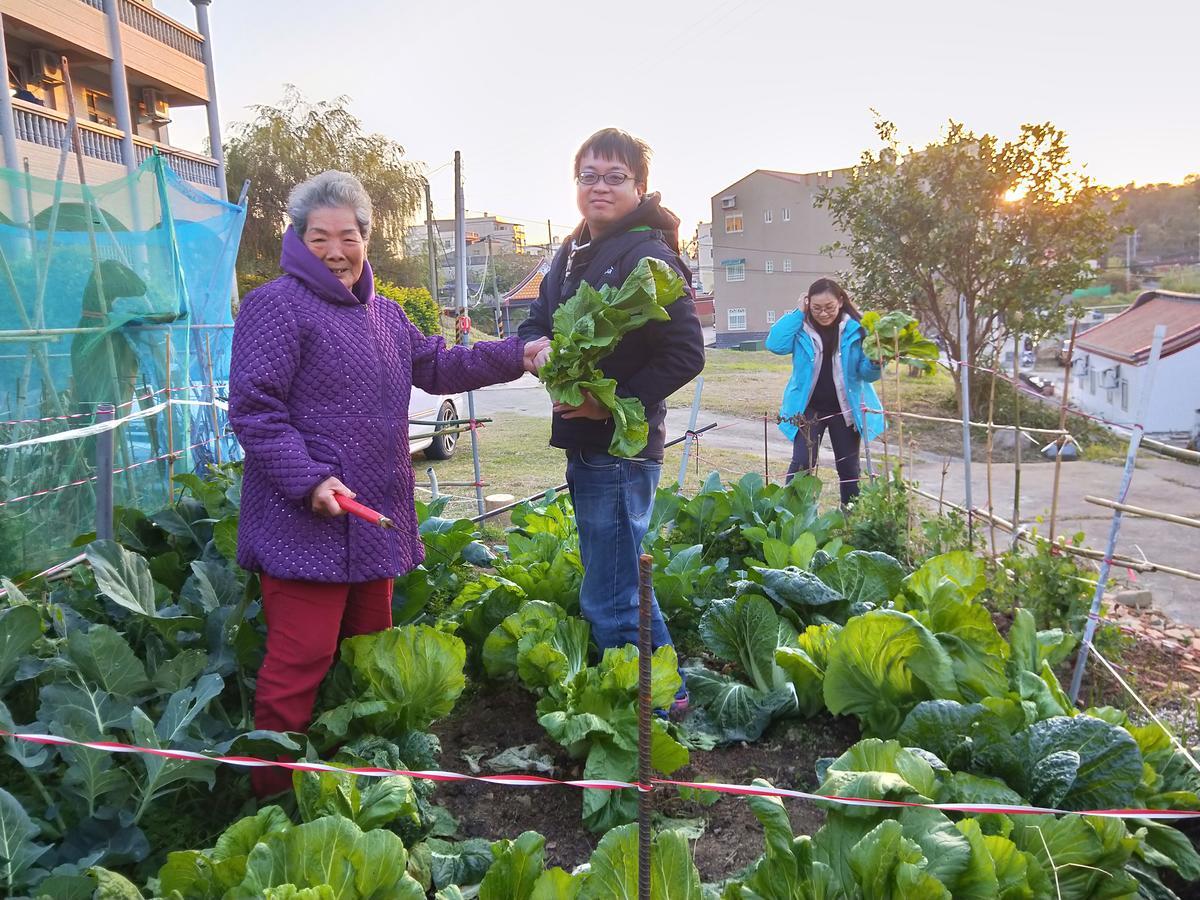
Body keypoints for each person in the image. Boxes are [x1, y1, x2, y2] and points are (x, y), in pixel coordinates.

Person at [229, 171, 548, 797]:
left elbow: (440, 362)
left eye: (347, 236)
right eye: (319, 237)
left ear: (366, 238)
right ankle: (267, 793)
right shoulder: (276, 305)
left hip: (371, 513)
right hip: (306, 517)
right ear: (299, 239)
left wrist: (518, 354)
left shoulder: (385, 314)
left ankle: (358, 780)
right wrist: (309, 478)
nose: (334, 250)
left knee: (369, 657)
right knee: (300, 662)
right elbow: (254, 410)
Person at [519, 128, 704, 712]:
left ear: (639, 187)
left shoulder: (649, 256)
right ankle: (658, 695)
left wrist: (612, 402)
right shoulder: (572, 251)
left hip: (621, 449)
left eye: (614, 177)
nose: (600, 187)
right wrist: (539, 349)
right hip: (589, 446)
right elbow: (535, 323)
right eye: (589, 176)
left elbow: (685, 354)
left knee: (613, 592)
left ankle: (658, 706)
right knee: (615, 578)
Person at [765, 277, 884, 505]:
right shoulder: (801, 327)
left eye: (828, 307)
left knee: (848, 467)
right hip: (808, 409)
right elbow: (775, 344)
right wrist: (798, 313)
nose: (823, 313)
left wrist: (875, 363)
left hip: (845, 410)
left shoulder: (857, 330)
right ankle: (790, 515)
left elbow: (866, 374)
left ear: (840, 301)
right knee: (801, 464)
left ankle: (851, 517)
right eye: (816, 308)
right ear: (808, 304)